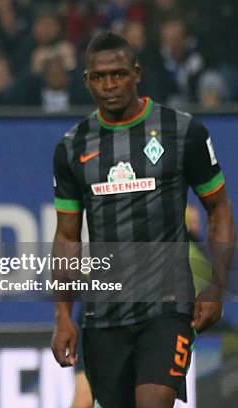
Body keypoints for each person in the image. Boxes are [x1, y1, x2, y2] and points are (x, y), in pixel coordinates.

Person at [51, 32, 235, 408]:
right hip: (103, 316)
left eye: (118, 74)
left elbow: (219, 208)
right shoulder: (72, 146)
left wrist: (217, 286)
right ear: (87, 81)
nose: (109, 85)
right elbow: (67, 235)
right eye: (99, 77)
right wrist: (63, 315)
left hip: (167, 308)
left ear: (136, 73)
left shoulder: (183, 132)